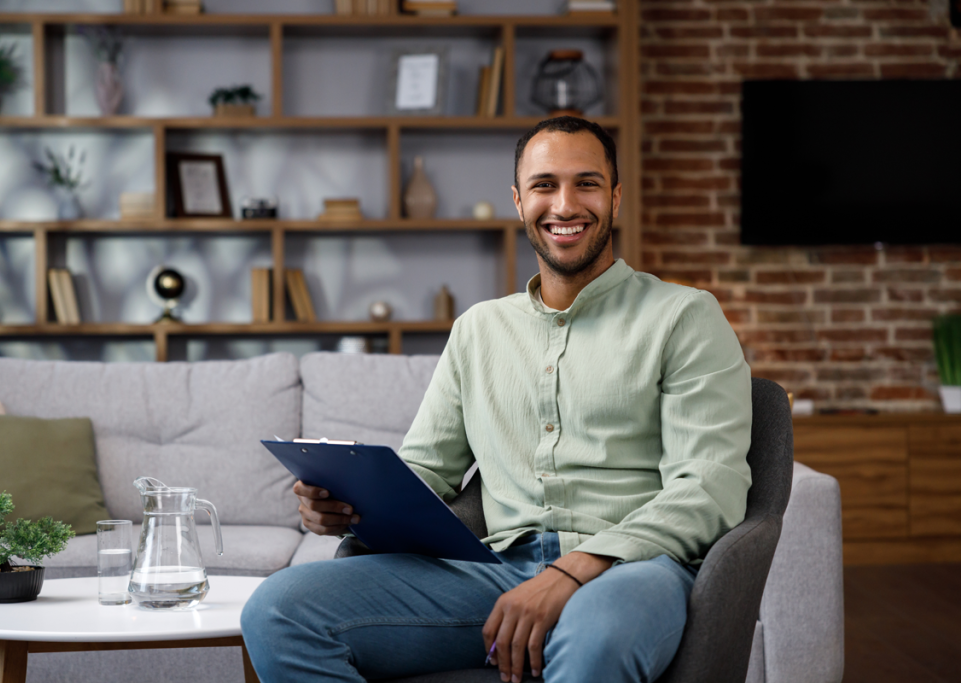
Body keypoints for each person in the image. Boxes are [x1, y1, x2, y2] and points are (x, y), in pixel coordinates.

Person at [241, 116, 752, 683]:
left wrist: (574, 571)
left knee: (598, 636)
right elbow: (426, 470)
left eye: (586, 183)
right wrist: (343, 508)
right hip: (494, 574)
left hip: (632, 571)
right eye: (543, 186)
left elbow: (709, 486)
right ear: (517, 201)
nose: (565, 205)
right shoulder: (478, 329)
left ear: (615, 196)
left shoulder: (684, 316)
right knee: (278, 609)